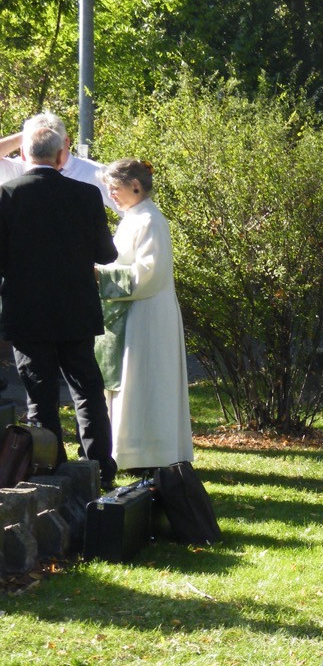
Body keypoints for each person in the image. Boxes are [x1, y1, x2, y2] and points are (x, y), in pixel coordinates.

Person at [0, 114, 118, 487]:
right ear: (61, 155)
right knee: (86, 390)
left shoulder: (7, 195)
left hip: (27, 310)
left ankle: (49, 468)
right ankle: (99, 466)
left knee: (40, 395)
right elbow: (106, 254)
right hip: (76, 308)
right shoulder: (85, 194)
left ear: (22, 152)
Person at [94, 158, 194, 472]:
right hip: (131, 311)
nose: (111, 194)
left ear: (135, 186)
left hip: (147, 315)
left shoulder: (151, 220)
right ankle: (129, 451)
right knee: (132, 383)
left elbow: (149, 273)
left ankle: (150, 452)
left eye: (115, 188)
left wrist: (101, 277)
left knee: (147, 382)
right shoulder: (132, 218)